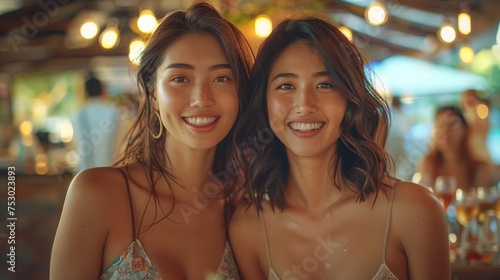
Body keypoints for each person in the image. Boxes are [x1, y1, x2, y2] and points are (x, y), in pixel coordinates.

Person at [229, 17, 451, 279]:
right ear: (264, 102)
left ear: (350, 99)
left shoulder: (415, 211)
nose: (304, 104)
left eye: (325, 84)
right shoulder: (247, 227)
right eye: (286, 86)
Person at [50, 3, 253, 279]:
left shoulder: (242, 208)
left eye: (221, 78)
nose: (202, 98)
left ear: (239, 92)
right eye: (180, 78)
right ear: (153, 94)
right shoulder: (96, 194)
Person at [417, 106, 492, 191]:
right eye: (440, 126)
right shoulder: (427, 164)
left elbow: (479, 200)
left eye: (451, 125)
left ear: (465, 130)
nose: (445, 131)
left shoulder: (480, 168)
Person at [71, 74, 120, 174]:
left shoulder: (77, 115)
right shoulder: (115, 113)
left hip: (83, 176)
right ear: (102, 91)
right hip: (112, 174)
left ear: (85, 93)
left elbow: (75, 145)